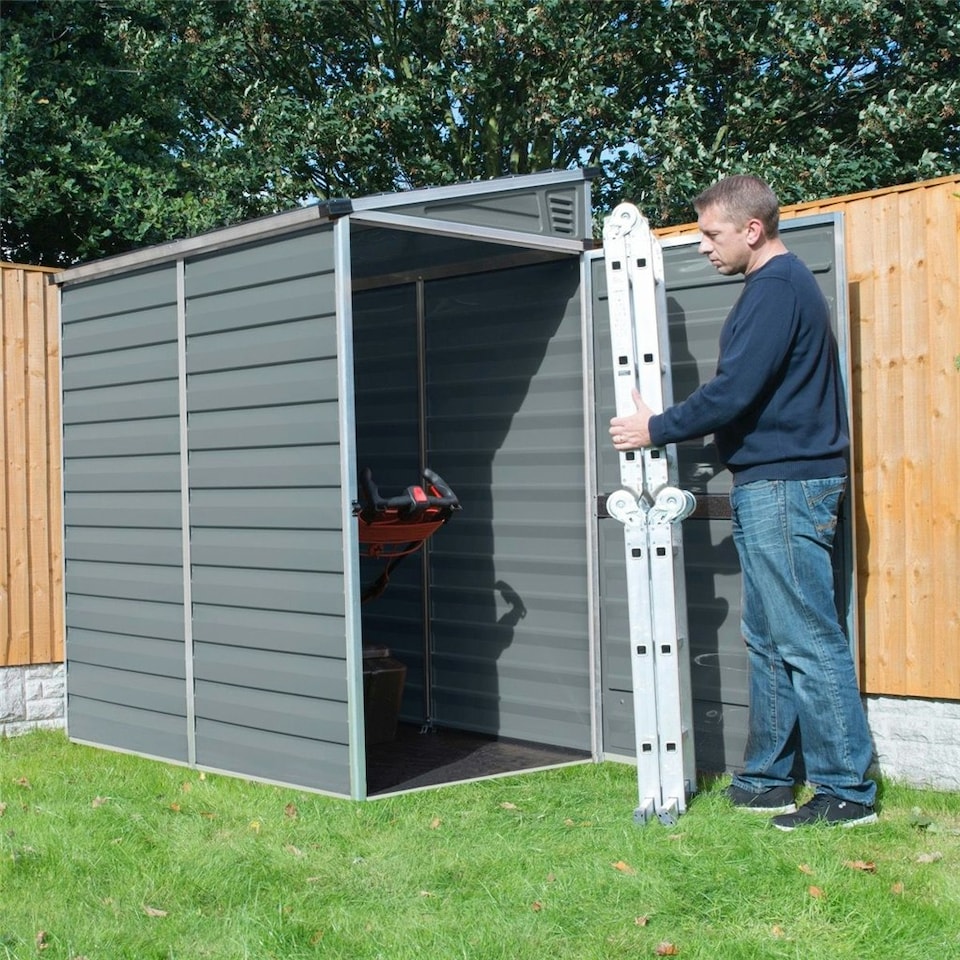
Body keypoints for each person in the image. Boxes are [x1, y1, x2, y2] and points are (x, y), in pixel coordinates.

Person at [609, 174, 876, 830]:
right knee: (768, 636)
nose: (703, 247)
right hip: (770, 483)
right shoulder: (776, 289)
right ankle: (767, 780)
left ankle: (846, 791)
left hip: (786, 483)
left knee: (808, 636)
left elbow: (733, 392)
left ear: (751, 229)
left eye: (711, 234)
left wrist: (656, 427)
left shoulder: (776, 290)